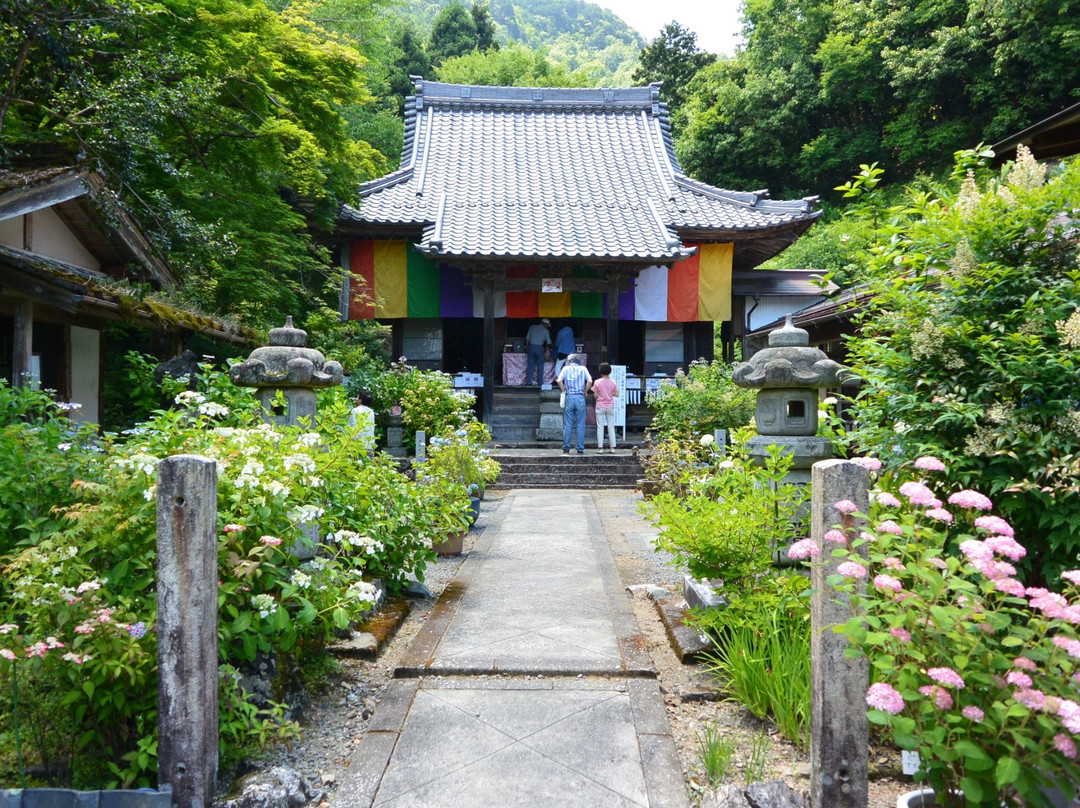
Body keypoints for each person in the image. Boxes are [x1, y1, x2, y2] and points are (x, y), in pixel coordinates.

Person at [557, 353, 592, 454]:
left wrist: (564, 390)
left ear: (569, 361)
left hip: (569, 397)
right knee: (580, 424)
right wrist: (585, 391)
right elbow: (589, 381)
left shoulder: (565, 369)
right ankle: (580, 447)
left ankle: (566, 447)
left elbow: (559, 380)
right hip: (580, 397)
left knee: (568, 424)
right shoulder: (583, 369)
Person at [591, 362, 619, 452]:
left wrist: (594, 390)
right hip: (610, 405)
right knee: (611, 426)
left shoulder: (597, 382)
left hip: (600, 406)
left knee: (600, 427)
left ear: (600, 372)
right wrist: (610, 393)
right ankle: (612, 447)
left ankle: (600, 448)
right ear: (609, 371)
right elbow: (616, 394)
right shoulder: (613, 382)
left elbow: (595, 396)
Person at [524, 318, 551, 385]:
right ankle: (540, 382)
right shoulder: (545, 331)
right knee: (540, 365)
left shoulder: (532, 327)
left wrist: (527, 348)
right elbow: (549, 342)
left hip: (531, 347)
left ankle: (529, 381)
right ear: (545, 324)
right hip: (539, 348)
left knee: (530, 365)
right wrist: (548, 348)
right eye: (548, 325)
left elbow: (527, 339)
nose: (548, 327)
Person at [348, 389, 375, 454]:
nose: (356, 400)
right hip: (370, 444)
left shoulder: (355, 410)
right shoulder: (371, 412)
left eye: (357, 398)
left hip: (359, 446)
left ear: (360, 400)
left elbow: (352, 428)